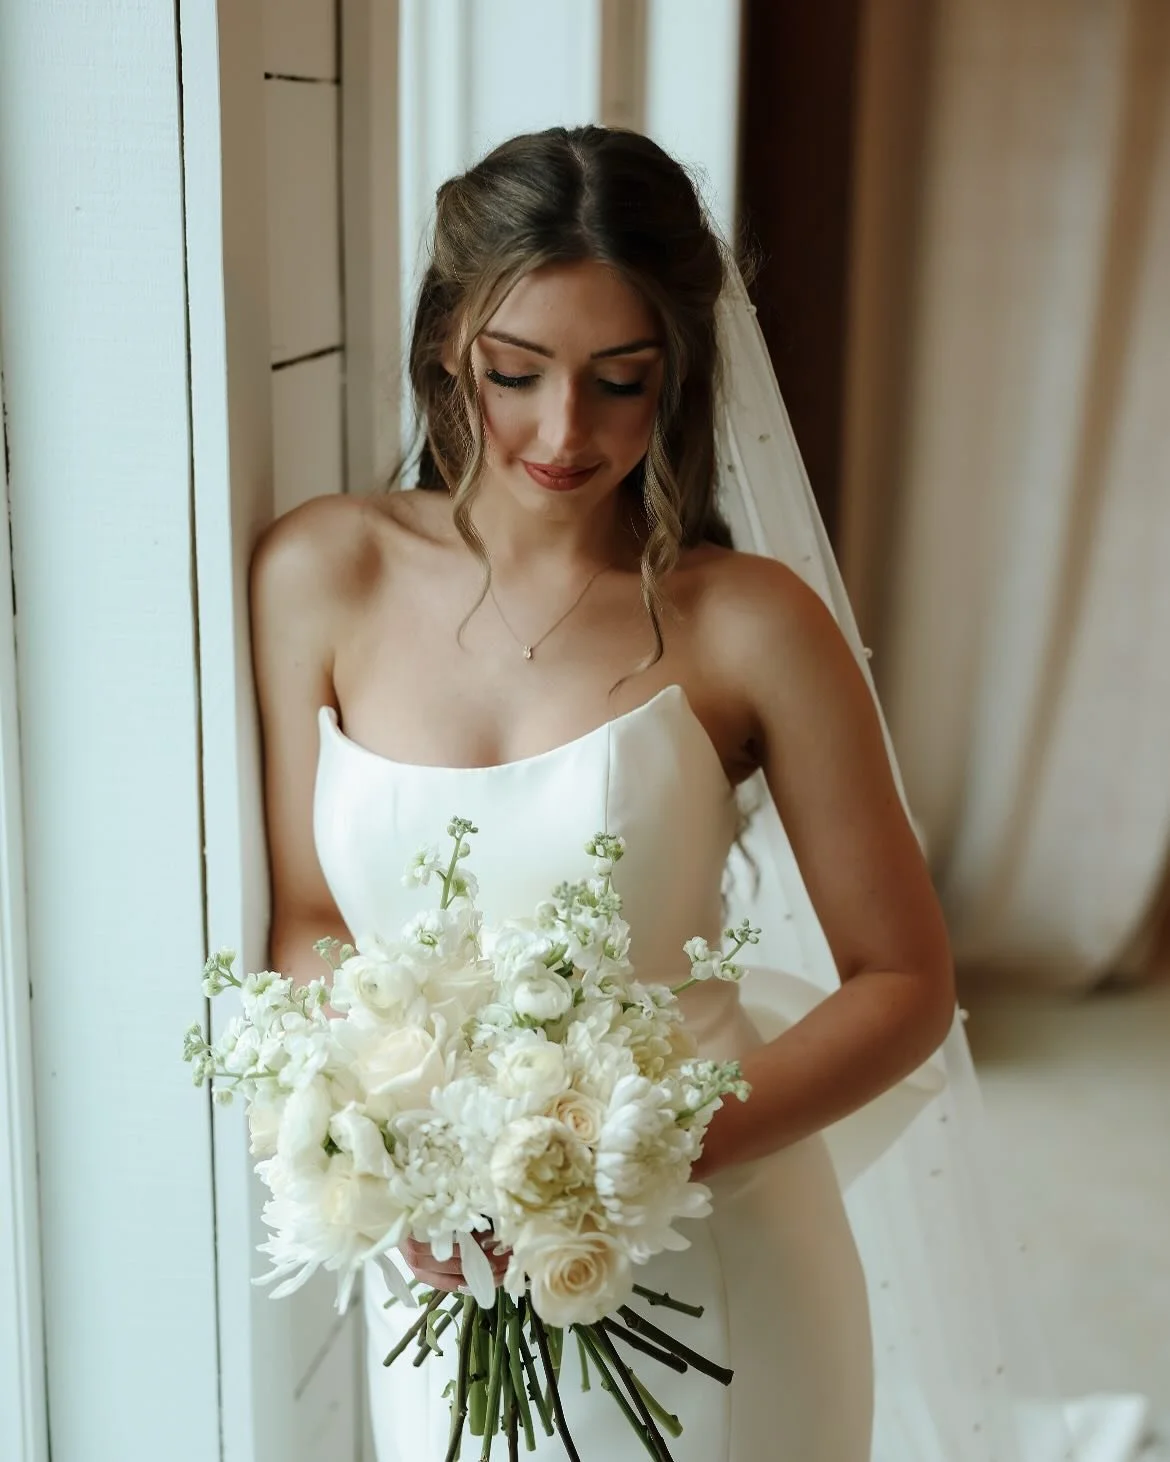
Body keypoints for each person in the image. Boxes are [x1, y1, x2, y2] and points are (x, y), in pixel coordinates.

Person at [248, 127, 1107, 1461]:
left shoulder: (748, 623)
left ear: (682, 377)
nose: (560, 431)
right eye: (514, 373)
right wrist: (386, 1145)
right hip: (441, 1269)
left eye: (620, 380)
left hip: (715, 1254)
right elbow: (308, 916)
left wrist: (629, 1167)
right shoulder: (321, 572)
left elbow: (902, 980)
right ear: (444, 349)